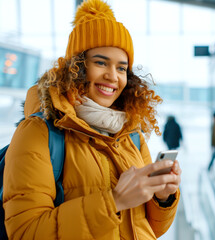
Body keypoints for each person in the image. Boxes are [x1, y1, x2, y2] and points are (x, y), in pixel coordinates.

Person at [3, 0, 181, 239]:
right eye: (100, 62)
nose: (112, 76)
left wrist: (163, 197)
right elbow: (26, 232)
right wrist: (114, 201)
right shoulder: (39, 132)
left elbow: (152, 228)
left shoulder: (131, 135)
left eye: (121, 68)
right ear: (76, 67)